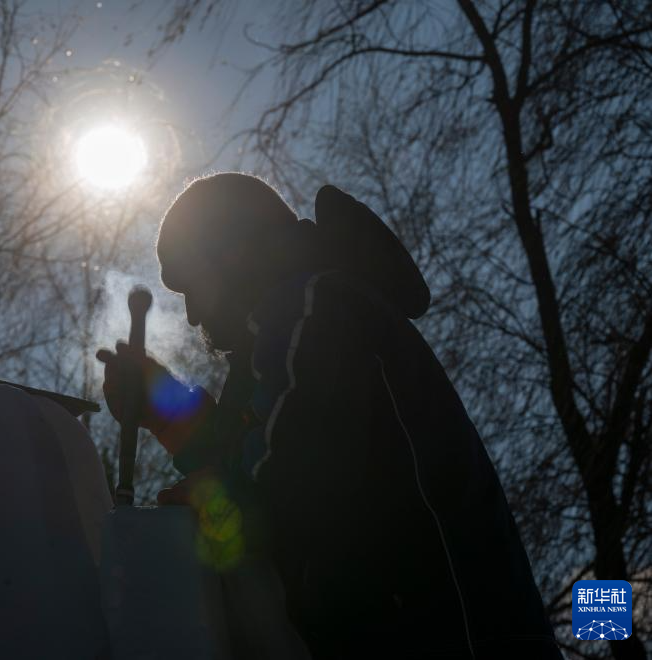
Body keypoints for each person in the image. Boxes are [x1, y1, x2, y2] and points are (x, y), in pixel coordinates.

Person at [96, 173, 564, 659]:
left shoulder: (315, 308)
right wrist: (163, 406)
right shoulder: (284, 338)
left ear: (232, 253)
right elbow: (257, 459)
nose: (193, 315)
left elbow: (284, 479)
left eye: (193, 285)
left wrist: (209, 497)